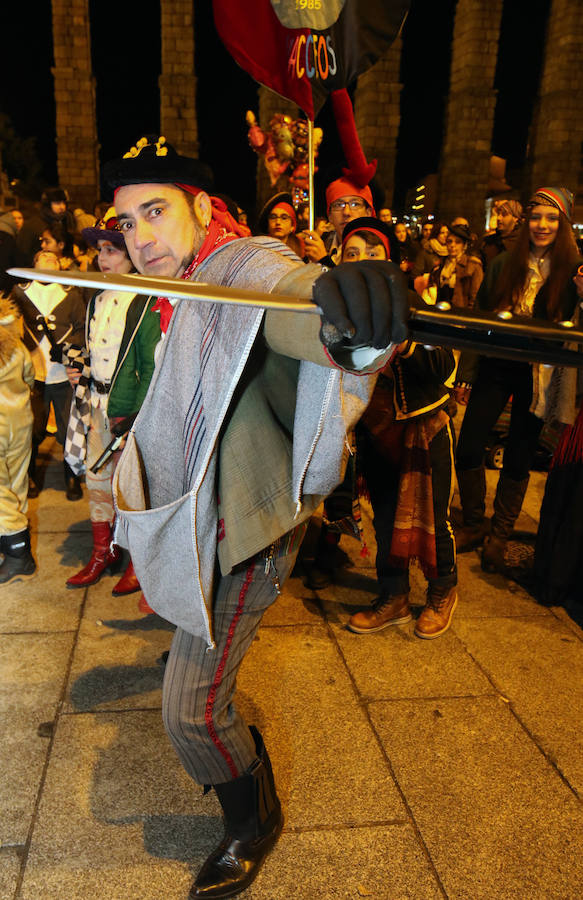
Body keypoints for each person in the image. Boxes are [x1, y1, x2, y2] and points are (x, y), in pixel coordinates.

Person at [102, 136, 408, 899]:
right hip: (190, 515)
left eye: (156, 212)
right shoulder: (177, 286)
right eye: (127, 223)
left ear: (202, 209)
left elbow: (295, 302)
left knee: (191, 716)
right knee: (193, 688)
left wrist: (348, 310)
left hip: (243, 531)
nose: (141, 238)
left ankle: (251, 819)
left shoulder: (243, 269)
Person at [308, 217, 458, 638]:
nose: (362, 262)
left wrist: (405, 342)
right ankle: (393, 598)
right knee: (387, 517)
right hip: (371, 429)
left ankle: (442, 590)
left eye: (373, 254)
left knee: (434, 516)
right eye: (351, 254)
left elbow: (442, 366)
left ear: (392, 261)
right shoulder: (336, 308)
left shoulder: (415, 302)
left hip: (419, 428)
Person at [454, 187, 581, 572]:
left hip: (539, 372)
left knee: (520, 453)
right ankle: (475, 523)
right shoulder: (503, 263)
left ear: (562, 224)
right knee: (470, 444)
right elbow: (480, 320)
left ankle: (501, 534)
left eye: (551, 218)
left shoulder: (573, 269)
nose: (542, 225)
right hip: (497, 363)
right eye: (537, 216)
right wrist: (467, 373)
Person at [64, 208, 161, 595]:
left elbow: (151, 363)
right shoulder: (97, 300)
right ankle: (104, 551)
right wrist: (80, 370)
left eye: (112, 250)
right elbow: (96, 352)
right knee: (97, 478)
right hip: (97, 406)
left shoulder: (145, 299)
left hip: (129, 411)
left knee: (132, 486)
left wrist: (134, 415)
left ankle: (138, 559)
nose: (103, 258)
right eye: (100, 250)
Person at [11, 250, 87, 500]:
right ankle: (29, 476)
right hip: (33, 376)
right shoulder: (20, 293)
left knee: (68, 429)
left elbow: (81, 328)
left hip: (63, 375)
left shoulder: (71, 293)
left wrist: (67, 350)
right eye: (43, 256)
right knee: (30, 430)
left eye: (54, 258)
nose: (50, 259)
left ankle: (72, 478)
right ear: (34, 263)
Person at [0, 297, 36, 585]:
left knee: (0, 492)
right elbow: (30, 376)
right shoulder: (18, 345)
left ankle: (17, 552)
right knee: (16, 483)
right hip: (20, 419)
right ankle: (11, 543)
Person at [301, 174, 374, 266]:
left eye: (355, 204)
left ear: (368, 213)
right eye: (338, 205)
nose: (346, 212)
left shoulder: (376, 249)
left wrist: (324, 261)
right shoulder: (321, 245)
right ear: (330, 216)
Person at [415, 223, 483, 309]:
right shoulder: (441, 263)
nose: (452, 245)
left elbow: (475, 296)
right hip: (441, 311)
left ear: (464, 245)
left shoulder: (473, 265)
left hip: (461, 313)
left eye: (457, 242)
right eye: (449, 241)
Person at [258, 191, 305, 258]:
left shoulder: (302, 248)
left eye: (284, 218)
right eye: (273, 217)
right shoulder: (260, 247)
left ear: (292, 226)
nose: (278, 222)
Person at [479, 199, 523, 269]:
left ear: (516, 218)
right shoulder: (489, 243)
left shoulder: (523, 243)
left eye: (504, 214)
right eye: (498, 214)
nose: (499, 218)